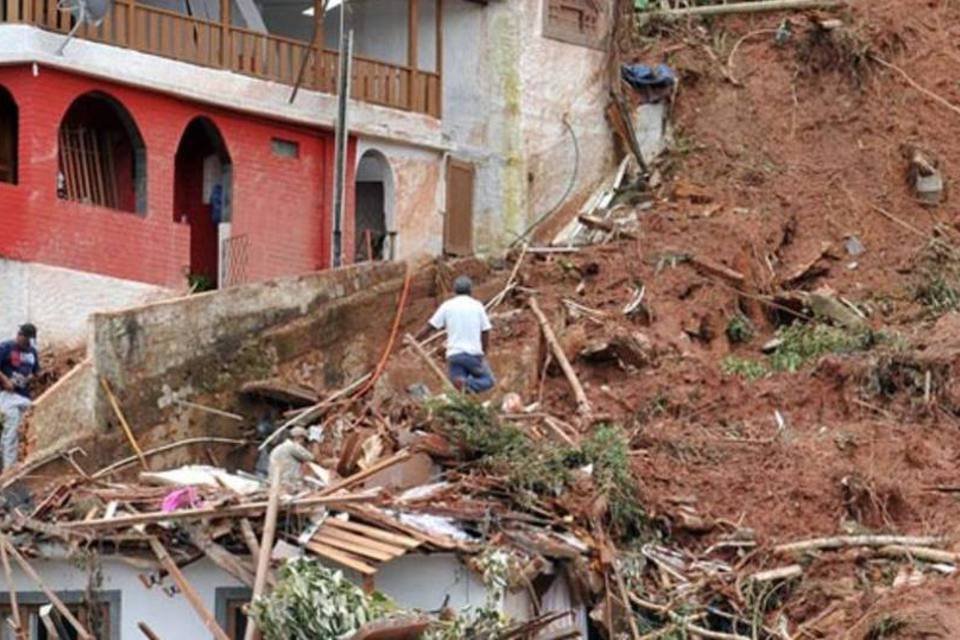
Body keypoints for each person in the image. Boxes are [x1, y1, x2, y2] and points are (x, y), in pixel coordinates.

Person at [424, 275, 495, 393]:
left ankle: (463, 389)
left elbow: (430, 326)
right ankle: (466, 383)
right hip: (473, 355)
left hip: (454, 356)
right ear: (470, 290)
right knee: (488, 380)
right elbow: (485, 331)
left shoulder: (447, 306)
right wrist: (484, 351)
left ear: (455, 290)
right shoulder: (477, 306)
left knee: (459, 389)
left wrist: (414, 338)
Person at [0, 324, 39, 470]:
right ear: (20, 335)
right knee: (12, 428)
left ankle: (26, 461)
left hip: (23, 395)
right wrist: (5, 381)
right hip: (7, 395)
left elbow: (36, 373)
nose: (27, 342)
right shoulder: (6, 347)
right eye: (25, 339)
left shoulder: (32, 352)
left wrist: (30, 377)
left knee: (33, 421)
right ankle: (9, 468)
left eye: (30, 340)